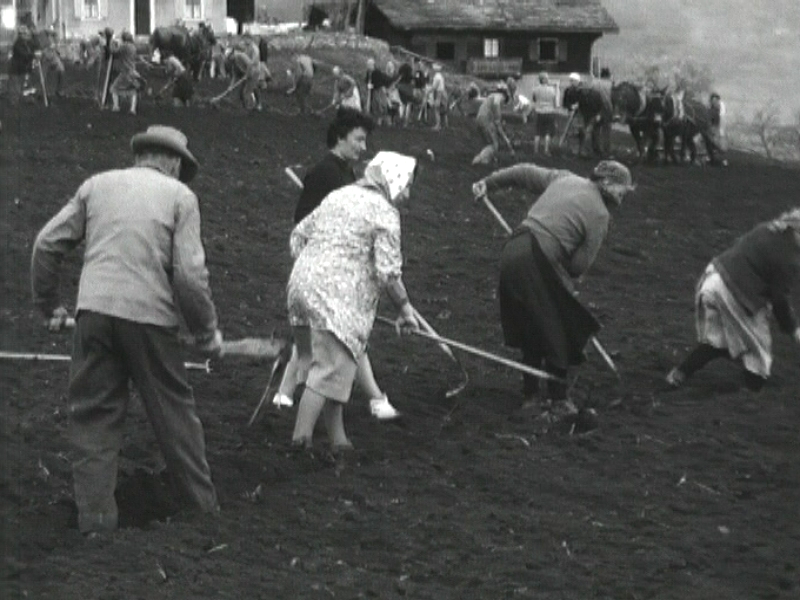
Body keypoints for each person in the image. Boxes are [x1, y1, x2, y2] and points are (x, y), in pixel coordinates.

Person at [30, 125, 223, 535]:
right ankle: (203, 514)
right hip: (150, 320)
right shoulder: (180, 197)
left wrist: (48, 306)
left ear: (140, 156)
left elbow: (46, 244)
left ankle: (96, 524)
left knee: (94, 419)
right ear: (173, 162)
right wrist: (206, 332)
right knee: (174, 417)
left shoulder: (96, 186)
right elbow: (189, 276)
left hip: (94, 314)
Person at [471, 160, 635, 410]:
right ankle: (559, 398)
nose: (624, 194)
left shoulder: (564, 178)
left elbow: (523, 172)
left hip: (514, 249)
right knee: (560, 324)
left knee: (532, 324)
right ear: (609, 185)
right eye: (623, 188)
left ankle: (531, 394)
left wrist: (488, 183)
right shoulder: (600, 215)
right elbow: (578, 266)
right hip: (537, 259)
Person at [287, 151, 421, 451]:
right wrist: (405, 309)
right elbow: (388, 272)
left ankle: (338, 439)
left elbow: (298, 236)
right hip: (335, 296)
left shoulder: (340, 196)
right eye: (407, 185)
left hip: (300, 286)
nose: (408, 194)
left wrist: (312, 269)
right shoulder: (385, 213)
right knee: (328, 370)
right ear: (392, 180)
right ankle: (301, 440)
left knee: (340, 364)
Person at [276, 110, 401, 420]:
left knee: (320, 338)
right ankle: (375, 399)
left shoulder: (346, 173)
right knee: (345, 336)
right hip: (326, 267)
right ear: (340, 137)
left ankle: (284, 393)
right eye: (358, 139)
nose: (363, 147)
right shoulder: (326, 174)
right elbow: (303, 222)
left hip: (332, 269)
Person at [666, 209, 800, 391]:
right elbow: (780, 301)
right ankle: (753, 395)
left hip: (713, 278)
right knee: (759, 354)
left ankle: (679, 373)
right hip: (735, 294)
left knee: (718, 340)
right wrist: (793, 329)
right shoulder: (789, 258)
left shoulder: (766, 229)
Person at [471, 85, 514, 165]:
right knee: (494, 145)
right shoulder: (499, 98)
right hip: (485, 120)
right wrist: (507, 141)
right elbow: (498, 125)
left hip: (479, 119)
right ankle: (478, 160)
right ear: (505, 97)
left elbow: (496, 124)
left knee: (488, 143)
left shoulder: (491, 96)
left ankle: (488, 160)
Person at [109, 31, 142, 115]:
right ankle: (132, 109)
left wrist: (112, 42)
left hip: (125, 72)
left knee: (114, 89)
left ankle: (116, 106)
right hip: (132, 71)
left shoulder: (124, 46)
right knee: (133, 91)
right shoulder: (133, 47)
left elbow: (114, 52)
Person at [7, 25, 37, 106]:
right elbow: (24, 55)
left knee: (26, 85)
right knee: (15, 87)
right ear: (20, 35)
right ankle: (14, 102)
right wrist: (33, 55)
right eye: (24, 34)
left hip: (24, 68)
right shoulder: (18, 44)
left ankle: (27, 99)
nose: (26, 35)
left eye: (26, 34)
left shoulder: (28, 43)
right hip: (16, 69)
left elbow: (35, 46)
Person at [531, 72, 558, 155]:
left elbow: (534, 100)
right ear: (544, 80)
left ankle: (536, 150)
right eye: (547, 78)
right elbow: (555, 102)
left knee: (538, 132)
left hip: (539, 112)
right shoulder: (552, 89)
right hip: (549, 112)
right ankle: (546, 150)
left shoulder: (535, 89)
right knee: (548, 132)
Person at [708, 92, 729, 167]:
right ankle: (712, 159)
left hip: (718, 127)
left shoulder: (721, 109)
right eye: (712, 100)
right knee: (711, 143)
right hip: (712, 127)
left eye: (715, 100)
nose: (713, 102)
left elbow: (722, 119)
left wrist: (721, 130)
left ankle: (724, 160)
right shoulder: (711, 109)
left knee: (720, 144)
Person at [430, 63, 448, 130]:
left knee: (436, 109)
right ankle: (445, 124)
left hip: (439, 93)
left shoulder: (437, 76)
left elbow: (434, 87)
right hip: (443, 92)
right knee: (443, 110)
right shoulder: (440, 76)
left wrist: (428, 91)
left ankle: (438, 125)